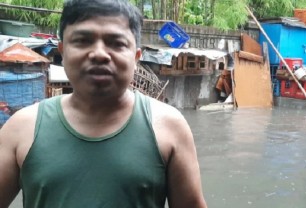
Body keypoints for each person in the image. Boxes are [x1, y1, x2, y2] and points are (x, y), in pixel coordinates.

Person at [0, 0, 207, 207]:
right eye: (82, 40)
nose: (99, 54)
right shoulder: (21, 128)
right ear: (62, 52)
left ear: (136, 57)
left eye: (116, 43)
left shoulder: (168, 126)